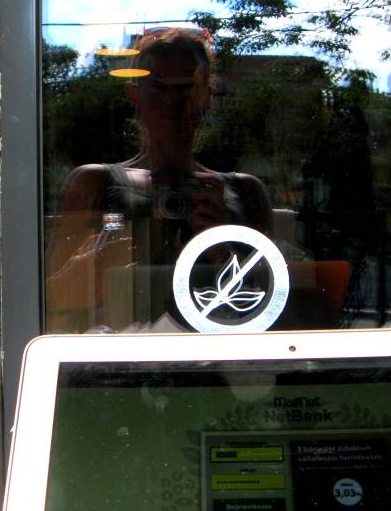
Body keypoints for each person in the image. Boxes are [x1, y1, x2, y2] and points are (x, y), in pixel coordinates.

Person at [45, 27, 273, 332]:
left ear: (206, 96)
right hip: (120, 350)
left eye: (186, 88)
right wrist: (93, 271)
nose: (172, 101)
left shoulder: (244, 191)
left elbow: (274, 301)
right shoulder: (93, 184)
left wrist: (220, 246)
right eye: (158, 86)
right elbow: (48, 302)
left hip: (216, 352)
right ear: (134, 95)